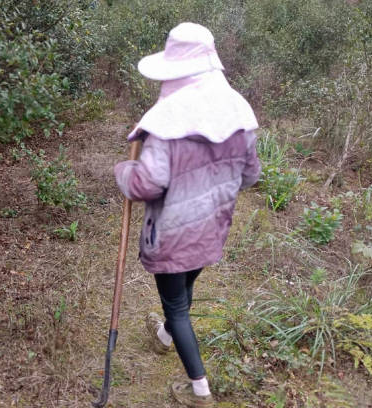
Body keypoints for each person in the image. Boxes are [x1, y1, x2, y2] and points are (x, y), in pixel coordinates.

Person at [114, 22, 260, 408]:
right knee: (184, 287)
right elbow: (250, 175)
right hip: (212, 228)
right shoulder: (238, 114)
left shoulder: (165, 126)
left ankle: (200, 391)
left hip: (172, 234)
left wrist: (123, 171)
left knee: (176, 306)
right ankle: (165, 336)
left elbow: (146, 185)